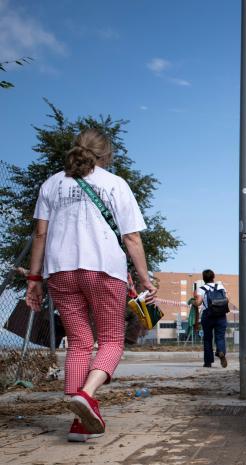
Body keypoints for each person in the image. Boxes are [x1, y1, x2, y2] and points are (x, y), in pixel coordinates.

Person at [25, 128, 157, 442]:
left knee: (79, 342)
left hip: (60, 271)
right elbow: (131, 237)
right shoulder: (115, 183)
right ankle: (86, 394)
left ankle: (79, 423)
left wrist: (34, 278)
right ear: (106, 155)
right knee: (111, 340)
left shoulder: (52, 184)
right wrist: (144, 279)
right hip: (103, 269)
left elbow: (40, 234)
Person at [194, 269, 228, 368]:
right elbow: (227, 299)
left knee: (208, 339)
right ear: (213, 277)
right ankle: (221, 351)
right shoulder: (221, 286)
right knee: (220, 337)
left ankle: (208, 362)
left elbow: (198, 302)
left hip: (208, 315)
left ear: (203, 278)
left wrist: (193, 302)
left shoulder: (202, 289)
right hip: (221, 315)